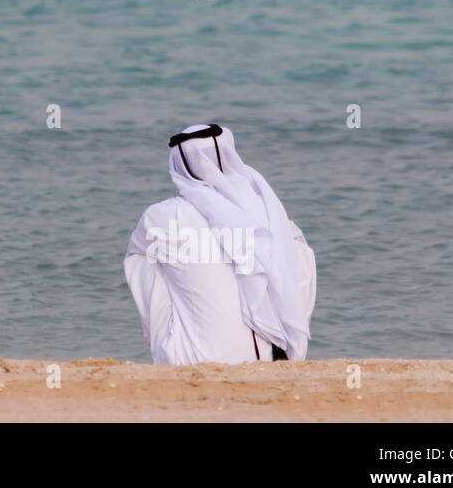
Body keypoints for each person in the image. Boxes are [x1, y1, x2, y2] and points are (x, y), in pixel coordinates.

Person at [124, 124, 316, 365]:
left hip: (196, 359)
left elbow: (136, 258)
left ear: (178, 165)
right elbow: (298, 264)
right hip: (275, 356)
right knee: (294, 250)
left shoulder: (161, 216)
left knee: (145, 261)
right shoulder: (266, 209)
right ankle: (282, 343)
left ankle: (173, 345)